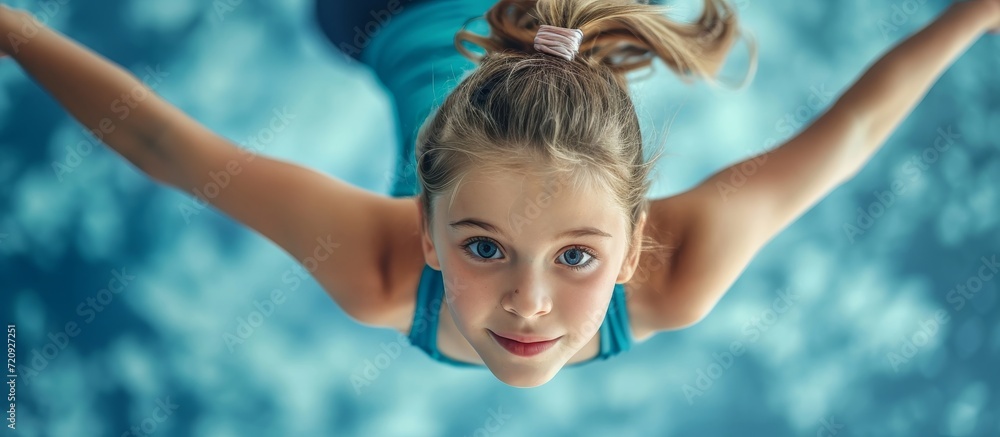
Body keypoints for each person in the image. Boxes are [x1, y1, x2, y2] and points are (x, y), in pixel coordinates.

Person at [1, 0, 997, 388]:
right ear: (431, 233)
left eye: (574, 255)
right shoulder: (671, 278)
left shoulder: (382, 274)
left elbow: (162, 144)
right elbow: (850, 136)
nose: (528, 303)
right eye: (484, 246)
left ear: (633, 234)